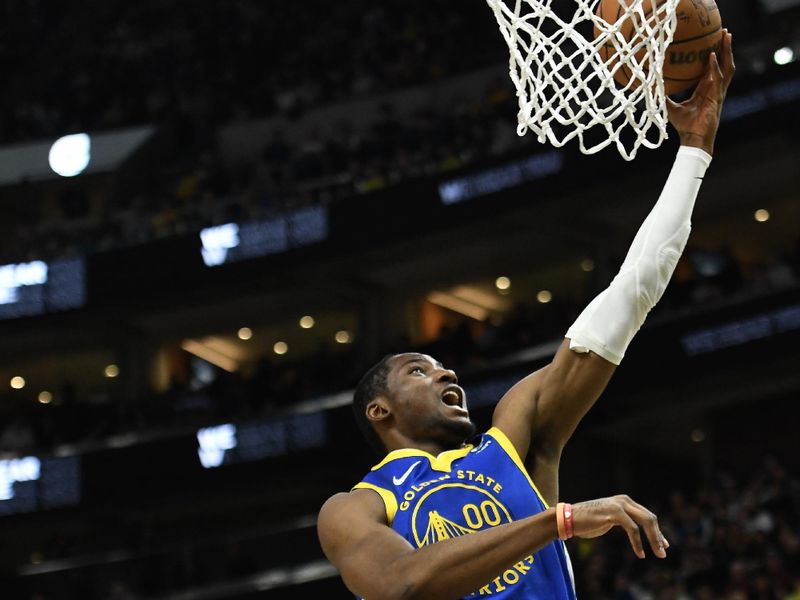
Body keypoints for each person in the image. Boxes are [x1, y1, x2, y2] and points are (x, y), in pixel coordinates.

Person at [317, 31, 736, 600]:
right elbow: (401, 582)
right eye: (419, 369)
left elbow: (629, 295)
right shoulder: (354, 508)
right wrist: (560, 521)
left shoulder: (513, 440)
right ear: (378, 409)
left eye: (442, 367)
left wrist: (694, 151)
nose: (447, 374)